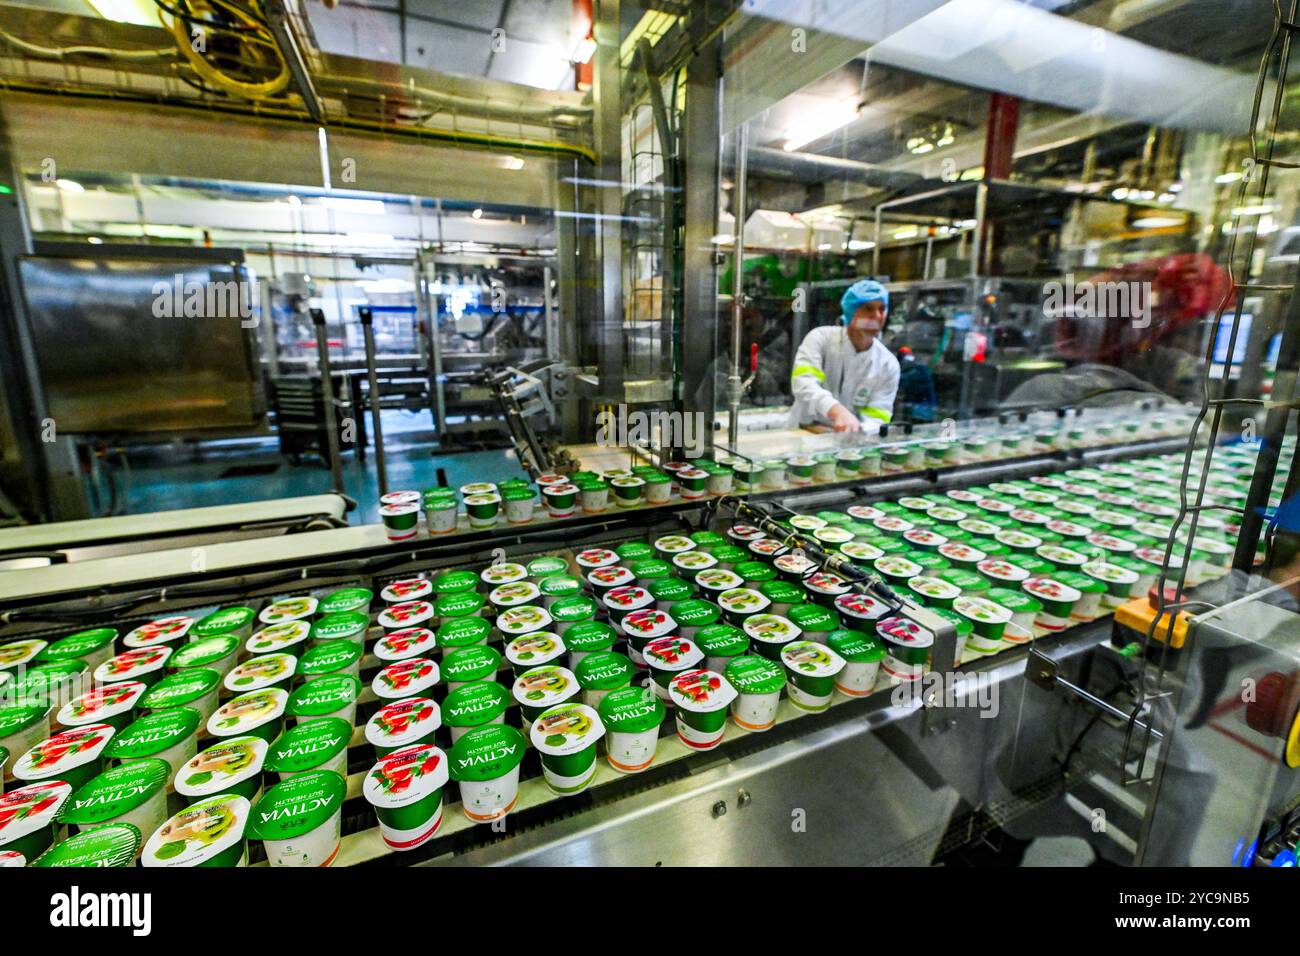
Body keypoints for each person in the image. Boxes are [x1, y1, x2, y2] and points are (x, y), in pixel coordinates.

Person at [789, 279, 900, 432]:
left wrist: (859, 430)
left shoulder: (888, 364)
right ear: (851, 311)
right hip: (805, 431)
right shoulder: (820, 338)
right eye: (868, 308)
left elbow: (878, 414)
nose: (877, 316)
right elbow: (803, 384)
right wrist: (836, 410)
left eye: (882, 309)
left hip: (851, 444)